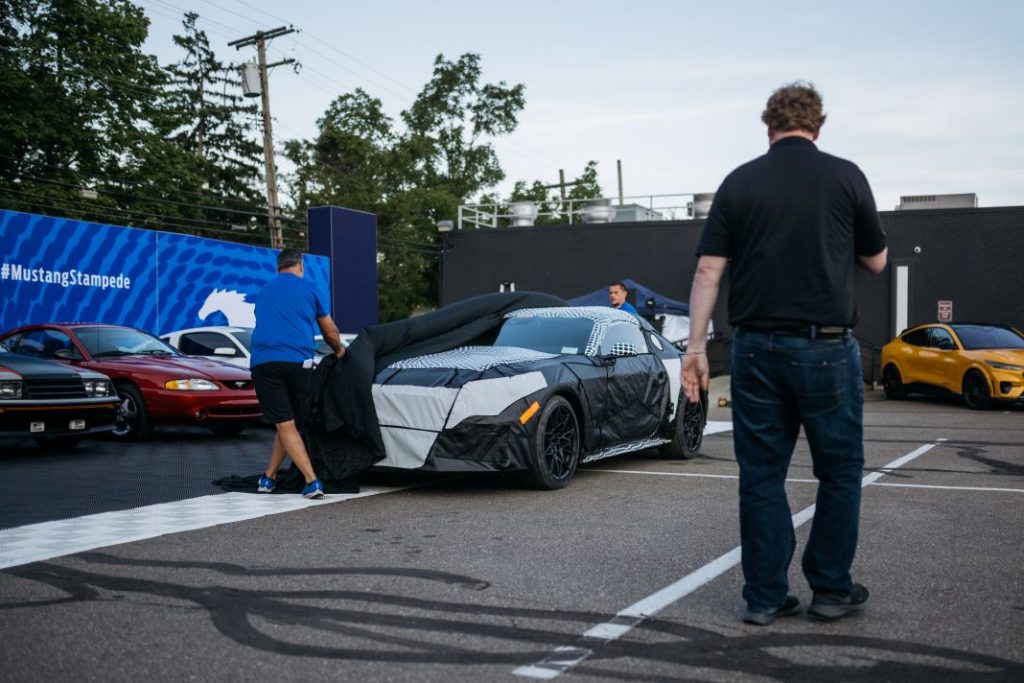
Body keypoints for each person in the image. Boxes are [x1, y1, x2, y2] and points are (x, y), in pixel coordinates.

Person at [681, 82, 888, 626]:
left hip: (754, 350)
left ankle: (766, 596)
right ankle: (830, 590)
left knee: (762, 474)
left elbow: (708, 270)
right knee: (840, 472)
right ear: (817, 126)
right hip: (825, 346)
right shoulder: (846, 176)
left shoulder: (739, 182)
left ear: (768, 126)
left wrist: (695, 349)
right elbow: (877, 261)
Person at [250, 248, 346, 499]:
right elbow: (330, 333)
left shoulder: (264, 291)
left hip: (264, 362)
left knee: (285, 422)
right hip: (298, 362)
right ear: (300, 266)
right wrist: (340, 352)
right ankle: (312, 480)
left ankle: (268, 478)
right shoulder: (310, 288)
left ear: (278, 267)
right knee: (288, 422)